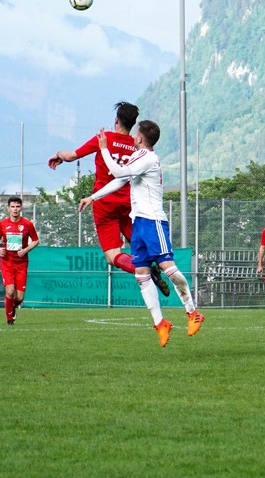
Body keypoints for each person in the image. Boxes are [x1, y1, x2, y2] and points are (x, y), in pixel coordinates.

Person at [77, 120, 203, 347]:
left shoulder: (148, 158)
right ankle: (160, 324)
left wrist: (104, 148)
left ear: (140, 138)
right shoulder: (138, 157)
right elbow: (120, 179)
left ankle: (192, 312)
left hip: (154, 222)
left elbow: (117, 171)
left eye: (136, 133)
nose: (134, 136)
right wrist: (93, 197)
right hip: (139, 222)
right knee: (141, 274)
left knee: (167, 266)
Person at [47, 101, 170, 297]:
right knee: (145, 245)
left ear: (116, 120)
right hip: (130, 205)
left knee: (113, 256)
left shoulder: (104, 139)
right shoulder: (137, 145)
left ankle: (144, 270)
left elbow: (70, 156)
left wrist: (58, 154)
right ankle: (160, 267)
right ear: (133, 125)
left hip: (104, 204)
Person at [0, 196, 39, 325]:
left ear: (21, 208)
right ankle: (9, 319)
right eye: (12, 207)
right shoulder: (2, 224)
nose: (15, 209)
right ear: (8, 208)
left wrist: (25, 250)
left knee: (19, 298)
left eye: (17, 206)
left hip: (22, 263)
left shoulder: (27, 224)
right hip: (7, 262)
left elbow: (36, 240)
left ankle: (12, 306)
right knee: (10, 291)